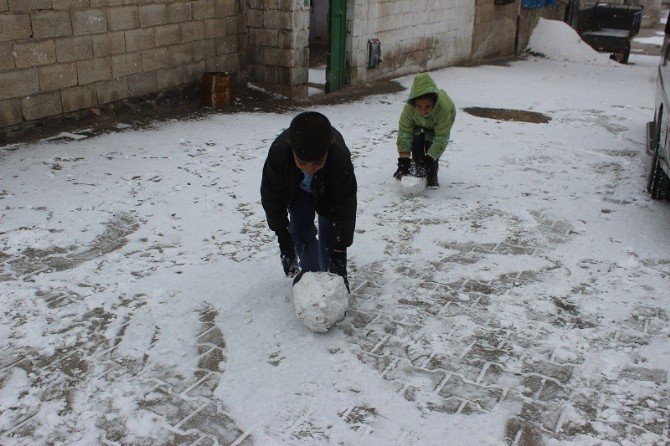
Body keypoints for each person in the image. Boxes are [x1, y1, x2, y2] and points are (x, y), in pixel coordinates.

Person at [261, 111, 357, 290]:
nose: (310, 169)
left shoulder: (339, 159)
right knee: (299, 230)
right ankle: (311, 278)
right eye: (303, 162)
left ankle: (331, 280)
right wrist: (283, 236)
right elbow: (272, 197)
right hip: (298, 191)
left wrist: (340, 252)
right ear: (291, 146)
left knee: (330, 233)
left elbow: (345, 206)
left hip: (329, 192)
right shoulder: (279, 154)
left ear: (330, 146)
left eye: (318, 162)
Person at [393, 73, 456, 188]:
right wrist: (403, 160)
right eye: (419, 107)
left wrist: (429, 159)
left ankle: (431, 174)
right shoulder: (409, 110)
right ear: (413, 104)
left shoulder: (443, 111)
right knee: (416, 139)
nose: (423, 112)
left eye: (427, 107)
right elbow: (405, 133)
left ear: (434, 103)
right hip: (418, 123)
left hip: (438, 123)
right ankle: (418, 168)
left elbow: (441, 138)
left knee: (431, 142)